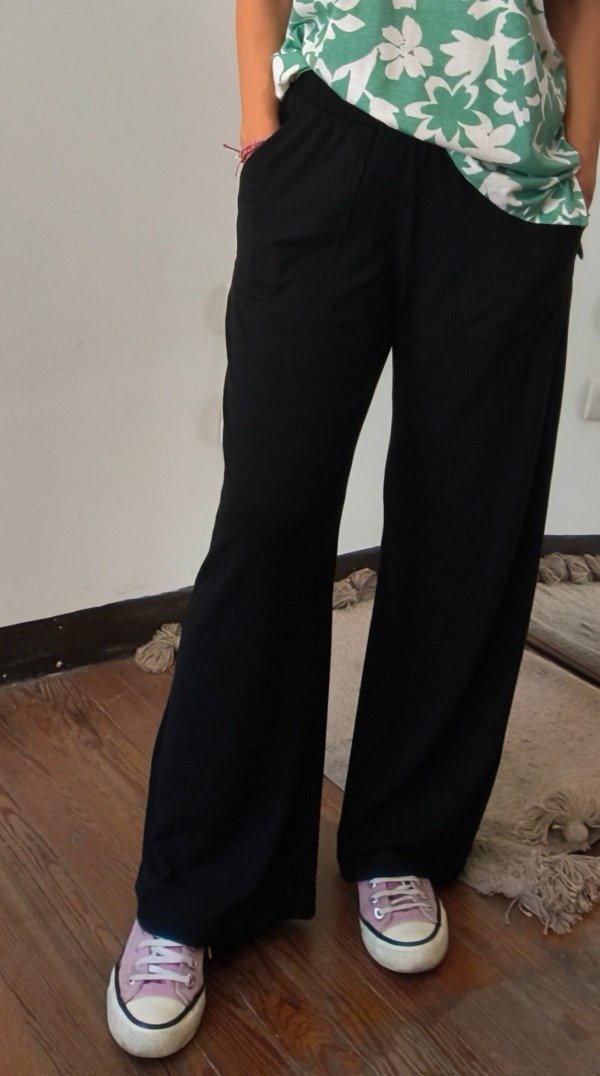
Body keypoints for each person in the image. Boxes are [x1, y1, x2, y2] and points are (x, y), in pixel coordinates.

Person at [106, 0, 598, 1060]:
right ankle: (192, 891)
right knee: (270, 514)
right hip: (333, 129)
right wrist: (263, 126)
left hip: (510, 173)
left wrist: (576, 169)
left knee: (469, 519)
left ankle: (402, 838)